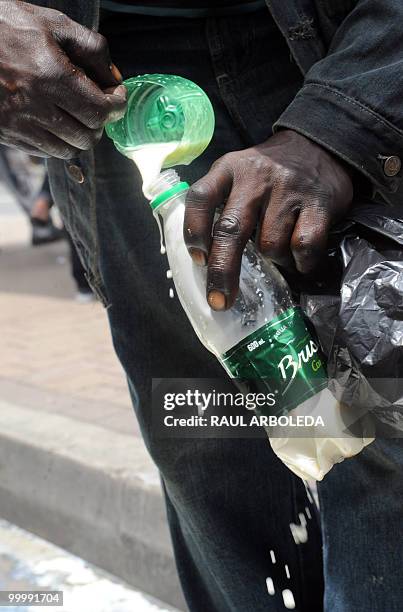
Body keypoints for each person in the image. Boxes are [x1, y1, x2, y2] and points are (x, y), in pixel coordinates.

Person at [0, 2, 402, 611]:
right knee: (210, 448)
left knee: (385, 441)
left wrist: (345, 124)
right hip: (107, 89)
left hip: (335, 45)